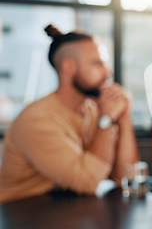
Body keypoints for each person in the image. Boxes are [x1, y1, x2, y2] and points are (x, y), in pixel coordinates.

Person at [0, 25, 139, 203]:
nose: (109, 72)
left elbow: (126, 177)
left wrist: (124, 115)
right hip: (20, 215)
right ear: (69, 68)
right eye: (98, 63)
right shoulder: (36, 120)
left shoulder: (94, 109)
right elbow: (88, 182)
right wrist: (107, 120)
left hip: (67, 209)